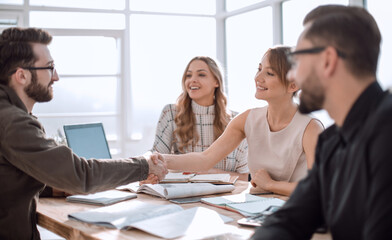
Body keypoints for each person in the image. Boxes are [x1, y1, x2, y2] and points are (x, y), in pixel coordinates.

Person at [0, 27, 167, 240]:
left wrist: (54, 188)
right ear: (21, 75)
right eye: (50, 67)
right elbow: (81, 175)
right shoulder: (12, 122)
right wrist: (144, 166)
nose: (56, 77)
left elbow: (9, 179)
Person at [251, 5, 392, 239]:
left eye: (297, 61)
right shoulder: (332, 141)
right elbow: (291, 219)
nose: (293, 76)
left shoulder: (387, 134)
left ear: (327, 61)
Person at [157, 46, 324, 196]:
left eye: (269, 73)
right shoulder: (247, 119)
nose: (258, 77)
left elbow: (317, 187)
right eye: (259, 69)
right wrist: (157, 160)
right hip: (259, 207)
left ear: (293, 85)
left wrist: (271, 184)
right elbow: (204, 159)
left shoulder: (311, 128)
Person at [150, 56, 249, 180]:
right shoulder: (170, 113)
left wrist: (213, 173)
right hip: (181, 194)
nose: (193, 80)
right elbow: (156, 160)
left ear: (216, 82)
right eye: (188, 75)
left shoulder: (236, 120)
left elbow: (245, 177)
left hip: (225, 196)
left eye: (201, 75)